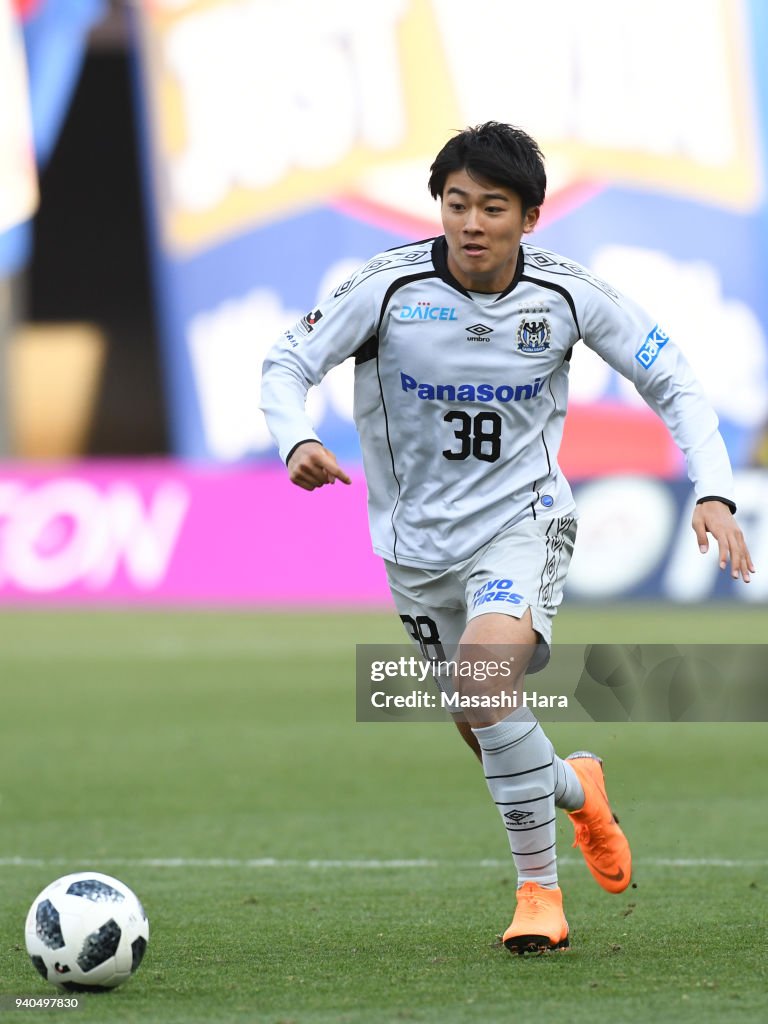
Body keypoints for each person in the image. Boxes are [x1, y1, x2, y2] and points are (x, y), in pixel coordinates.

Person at [260, 122, 754, 955]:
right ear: (439, 207)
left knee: (486, 691)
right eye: (457, 204)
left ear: (530, 218)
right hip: (414, 547)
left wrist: (713, 489)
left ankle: (539, 897)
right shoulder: (384, 289)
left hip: (522, 524)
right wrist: (294, 439)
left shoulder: (566, 294)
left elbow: (670, 376)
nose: (472, 223)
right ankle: (578, 786)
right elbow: (286, 362)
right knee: (481, 720)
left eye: (493, 207)